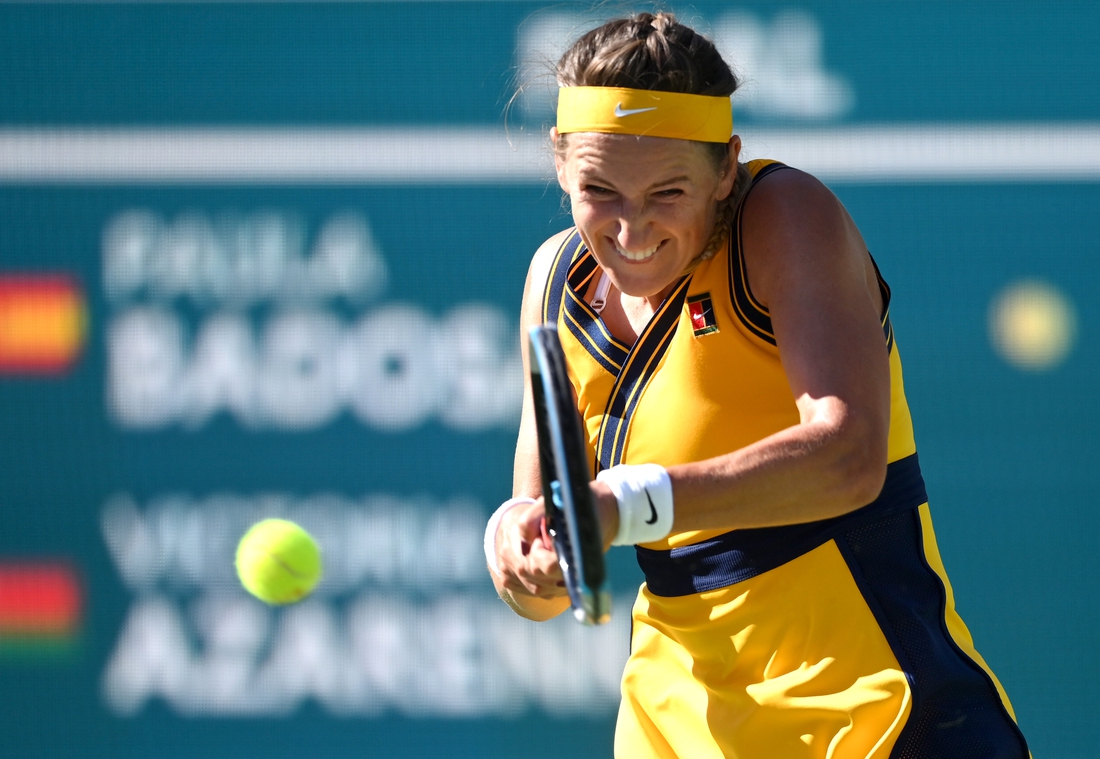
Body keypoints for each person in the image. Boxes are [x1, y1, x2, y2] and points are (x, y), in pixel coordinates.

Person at [485, 12, 1030, 758]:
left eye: (668, 191)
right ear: (559, 162)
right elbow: (543, 580)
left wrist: (623, 503)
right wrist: (519, 548)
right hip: (672, 726)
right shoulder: (553, 279)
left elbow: (849, 454)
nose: (631, 227)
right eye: (600, 189)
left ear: (726, 167)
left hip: (875, 717)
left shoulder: (784, 216)